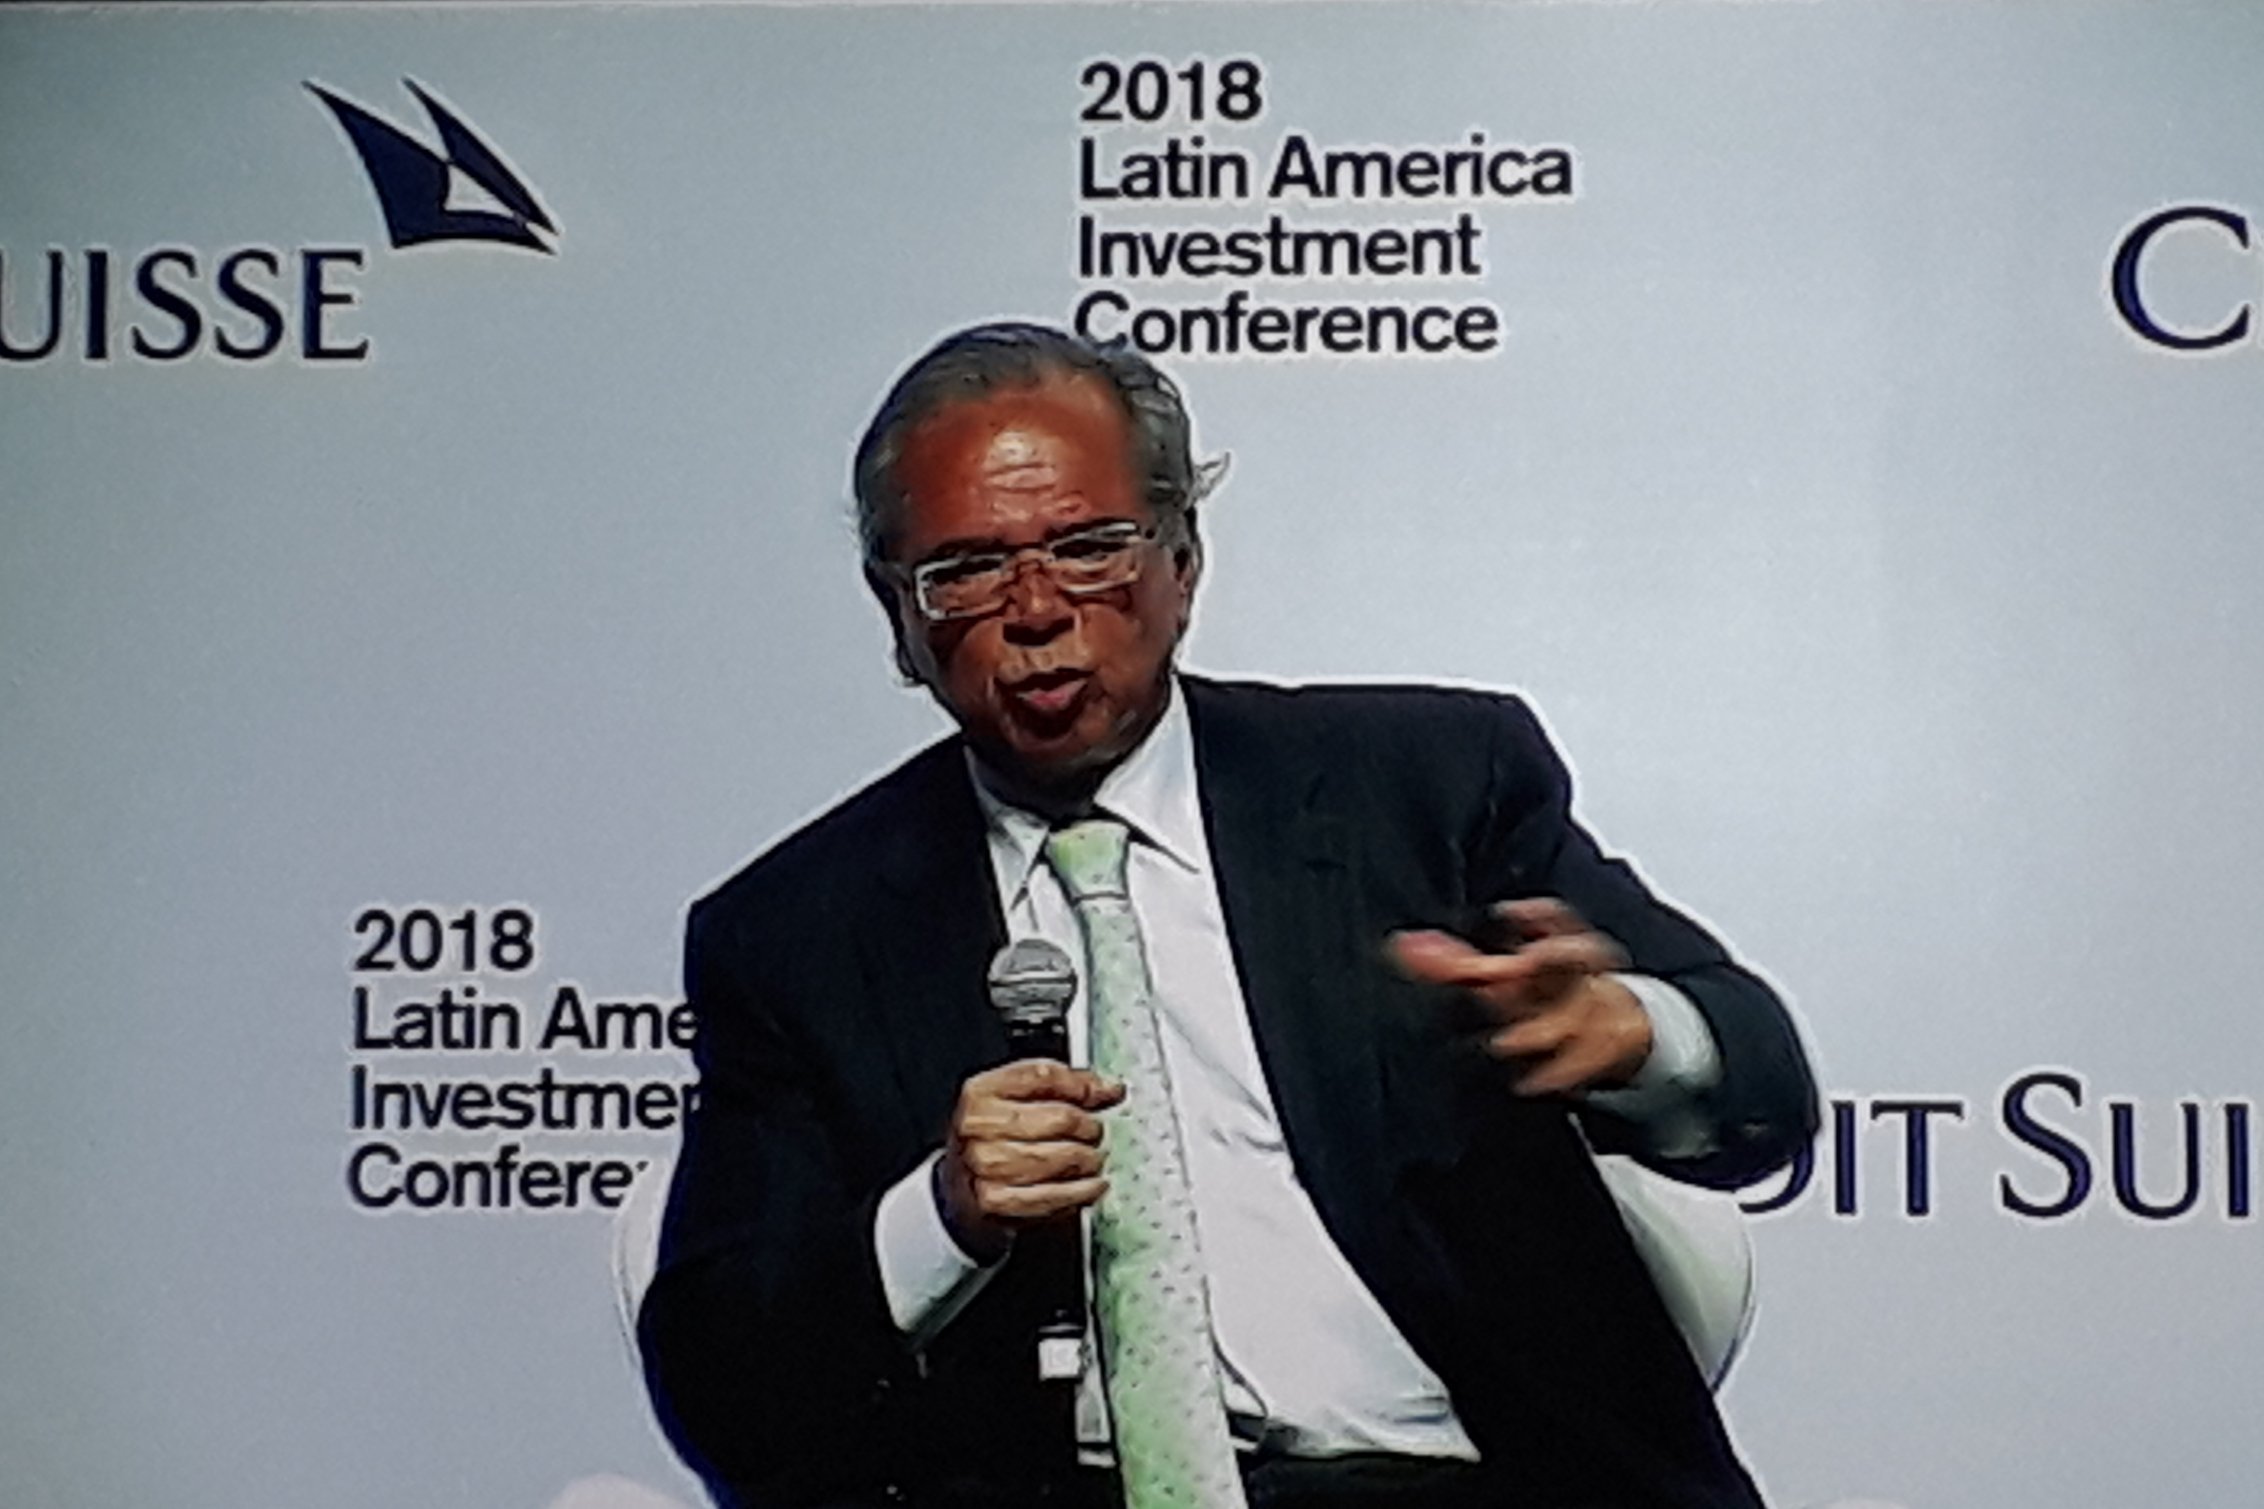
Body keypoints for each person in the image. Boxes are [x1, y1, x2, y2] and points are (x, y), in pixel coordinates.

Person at [640, 323, 1818, 1509]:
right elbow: (721, 1378)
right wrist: (941, 1217)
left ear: (1182, 562)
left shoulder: (1426, 788)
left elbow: (1760, 1089)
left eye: (1089, 549)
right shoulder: (797, 934)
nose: (1036, 610)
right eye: (966, 570)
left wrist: (1632, 1035)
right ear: (896, 612)